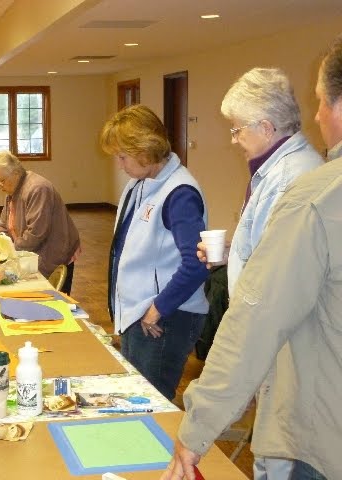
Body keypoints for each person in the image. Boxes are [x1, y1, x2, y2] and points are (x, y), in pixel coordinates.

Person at [161, 35, 342, 480]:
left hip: (315, 406)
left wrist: (198, 424)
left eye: (320, 101)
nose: (315, 115)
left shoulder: (311, 191)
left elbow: (260, 314)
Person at [202, 68, 323, 480]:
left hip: (281, 336)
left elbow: (280, 273)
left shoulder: (294, 179)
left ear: (265, 126)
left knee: (279, 451)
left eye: (237, 130)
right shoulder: (273, 170)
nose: (234, 139)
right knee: (271, 444)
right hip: (269, 329)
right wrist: (229, 257)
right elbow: (266, 248)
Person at [100, 104, 209, 402]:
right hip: (140, 314)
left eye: (123, 156)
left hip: (164, 317)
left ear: (145, 149)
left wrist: (158, 308)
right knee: (135, 400)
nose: (120, 164)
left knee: (150, 406)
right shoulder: (142, 184)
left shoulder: (180, 193)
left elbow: (198, 263)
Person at [0, 150, 81, 294]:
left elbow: (35, 234)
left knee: (51, 299)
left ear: (15, 173)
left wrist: (6, 249)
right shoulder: (12, 189)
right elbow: (4, 226)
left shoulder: (37, 189)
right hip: (33, 251)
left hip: (54, 252)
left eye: (1, 180)